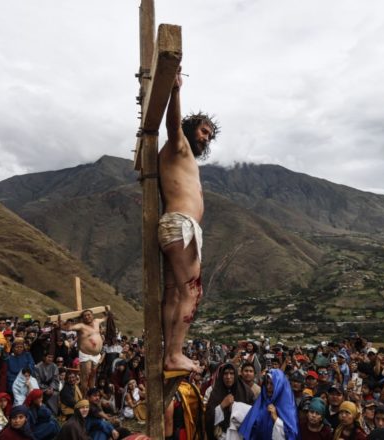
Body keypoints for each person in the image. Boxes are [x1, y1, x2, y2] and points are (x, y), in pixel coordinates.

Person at [159, 66, 219, 374]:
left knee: (174, 292)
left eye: (209, 135)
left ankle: (170, 352)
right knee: (193, 292)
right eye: (203, 131)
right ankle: (175, 354)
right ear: (190, 127)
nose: (206, 138)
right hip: (180, 225)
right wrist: (175, 89)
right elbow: (172, 125)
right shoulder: (178, 143)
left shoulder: (182, 157)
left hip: (178, 227)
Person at [238, 369, 299, 440]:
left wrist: (276, 419)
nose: (268, 387)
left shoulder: (289, 408)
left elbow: (292, 435)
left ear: (279, 386)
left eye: (272, 384)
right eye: (267, 383)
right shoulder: (261, 402)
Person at [205, 363, 254, 439]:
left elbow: (252, 415)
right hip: (220, 435)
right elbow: (208, 417)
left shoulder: (246, 392)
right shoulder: (215, 392)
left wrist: (236, 408)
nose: (228, 377)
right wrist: (221, 406)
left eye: (231, 373)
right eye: (225, 373)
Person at [71, 310, 107, 394]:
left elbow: (103, 349)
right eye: (85, 316)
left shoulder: (99, 334)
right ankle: (84, 395)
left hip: (96, 356)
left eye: (89, 315)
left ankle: (91, 393)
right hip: (85, 354)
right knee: (85, 375)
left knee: (93, 374)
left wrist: (106, 314)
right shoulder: (82, 327)